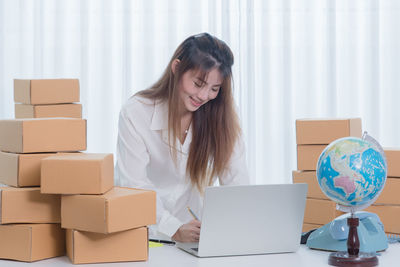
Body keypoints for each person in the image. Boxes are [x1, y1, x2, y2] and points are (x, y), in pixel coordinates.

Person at [115, 33, 249, 243]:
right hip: (145, 235)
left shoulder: (223, 116)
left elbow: (236, 183)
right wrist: (174, 229)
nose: (204, 96)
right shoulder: (136, 112)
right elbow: (134, 187)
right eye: (198, 84)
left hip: (197, 239)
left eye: (214, 89)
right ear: (177, 68)